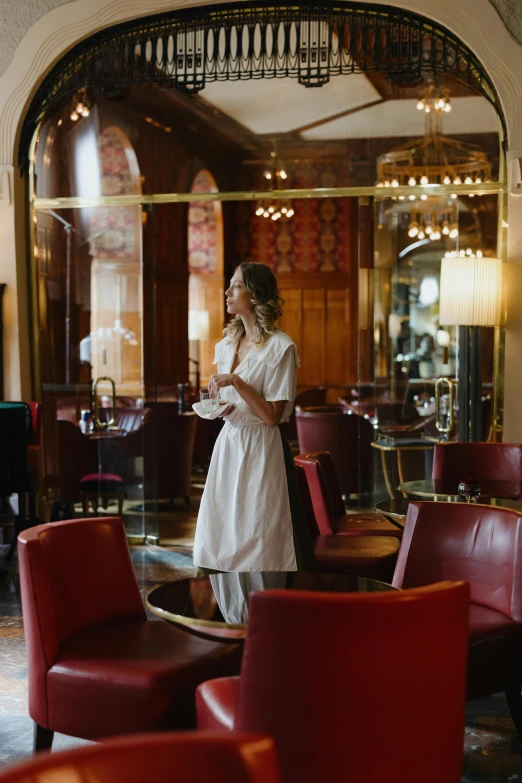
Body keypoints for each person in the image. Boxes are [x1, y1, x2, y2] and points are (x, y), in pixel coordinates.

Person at [193, 261, 315, 624]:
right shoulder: (226, 343)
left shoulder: (281, 348)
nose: (228, 293)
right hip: (230, 445)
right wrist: (223, 408)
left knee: (259, 534)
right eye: (229, 287)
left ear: (256, 294)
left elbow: (273, 416)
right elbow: (238, 406)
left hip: (262, 449)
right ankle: (226, 622)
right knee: (220, 532)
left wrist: (237, 383)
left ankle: (267, 621)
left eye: (235, 287)